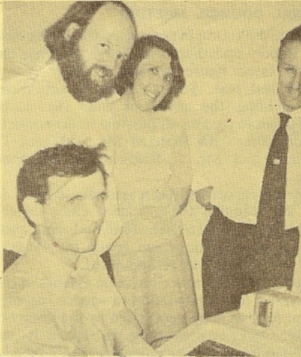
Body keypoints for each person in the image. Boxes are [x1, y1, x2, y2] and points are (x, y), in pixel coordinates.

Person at [199, 23, 301, 316]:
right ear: (277, 66)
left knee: (266, 337)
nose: (296, 82)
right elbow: (202, 132)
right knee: (220, 332)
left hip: (280, 250)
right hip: (227, 241)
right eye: (289, 69)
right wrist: (202, 181)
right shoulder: (244, 106)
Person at [3, 1, 137, 255]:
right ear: (71, 33)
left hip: (88, 263)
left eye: (121, 57)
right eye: (104, 47)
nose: (111, 65)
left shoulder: (103, 112)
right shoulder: (18, 100)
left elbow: (111, 207)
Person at [3, 143, 158, 355]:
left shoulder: (87, 262)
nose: (95, 215)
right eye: (75, 201)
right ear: (35, 210)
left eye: (99, 198)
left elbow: (127, 339)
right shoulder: (19, 301)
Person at [105, 35, 199, 347]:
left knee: (173, 341)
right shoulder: (104, 120)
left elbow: (182, 187)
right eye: (152, 70)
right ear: (131, 69)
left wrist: (156, 207)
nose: (159, 83)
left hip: (166, 249)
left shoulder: (172, 127)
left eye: (168, 76)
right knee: (131, 341)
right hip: (122, 251)